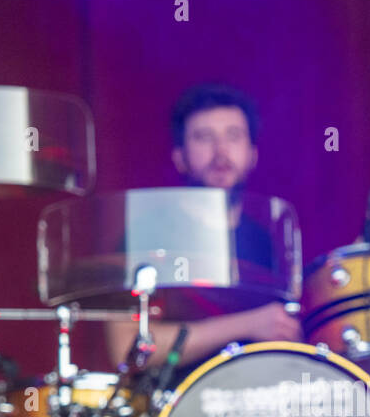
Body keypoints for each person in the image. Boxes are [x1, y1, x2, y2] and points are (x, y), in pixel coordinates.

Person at [104, 83, 301, 375]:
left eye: (233, 136)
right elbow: (126, 348)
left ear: (252, 154)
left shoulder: (268, 240)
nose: (221, 152)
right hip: (176, 407)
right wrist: (249, 324)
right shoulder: (148, 234)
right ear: (180, 157)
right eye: (203, 138)